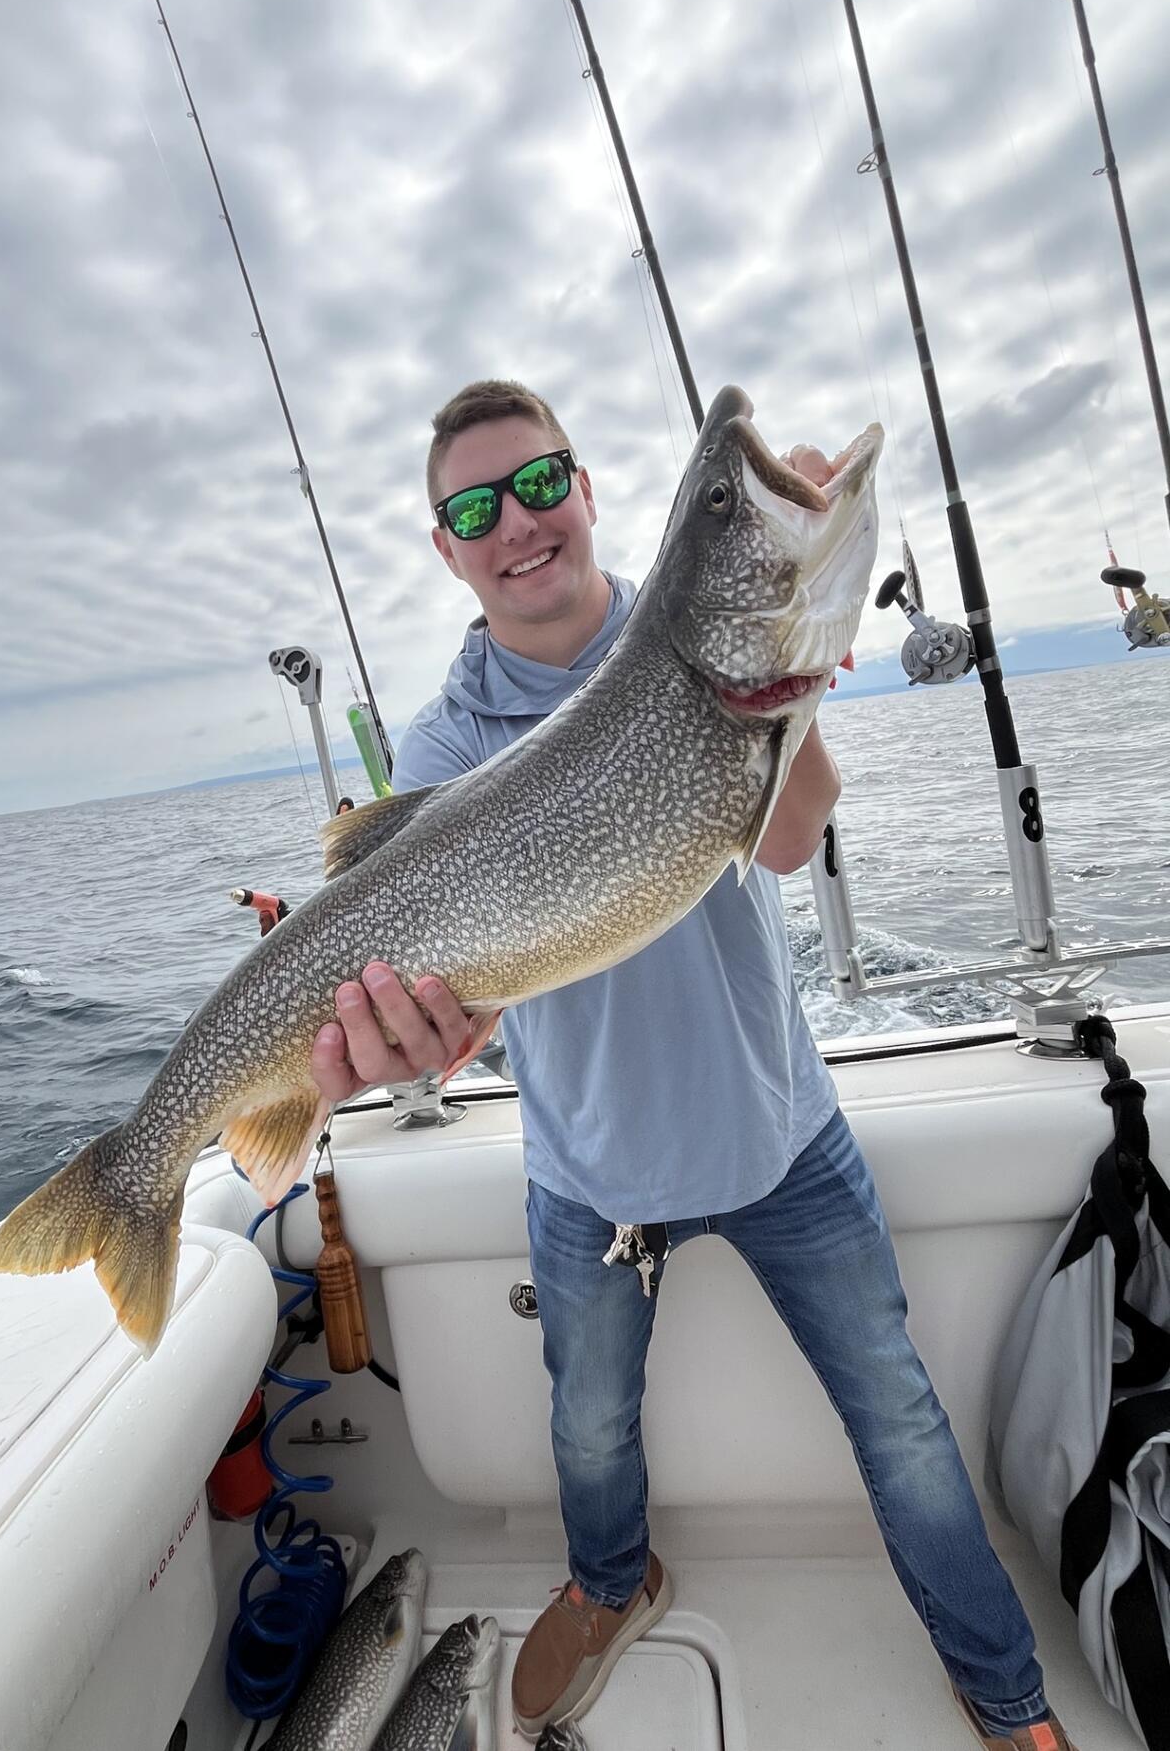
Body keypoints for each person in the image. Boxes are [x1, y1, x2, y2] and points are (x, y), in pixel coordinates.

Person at [309, 380, 1074, 1751]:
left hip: (780, 1132)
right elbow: (450, 1004)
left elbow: (784, 840)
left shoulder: (694, 652)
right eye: (475, 508)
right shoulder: (444, 748)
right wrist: (398, 1035)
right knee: (589, 1435)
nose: (518, 524)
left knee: (900, 1422)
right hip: (593, 1172)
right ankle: (615, 1580)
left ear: (590, 488)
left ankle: (1006, 1691)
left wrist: (784, 669)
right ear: (447, 548)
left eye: (540, 484)